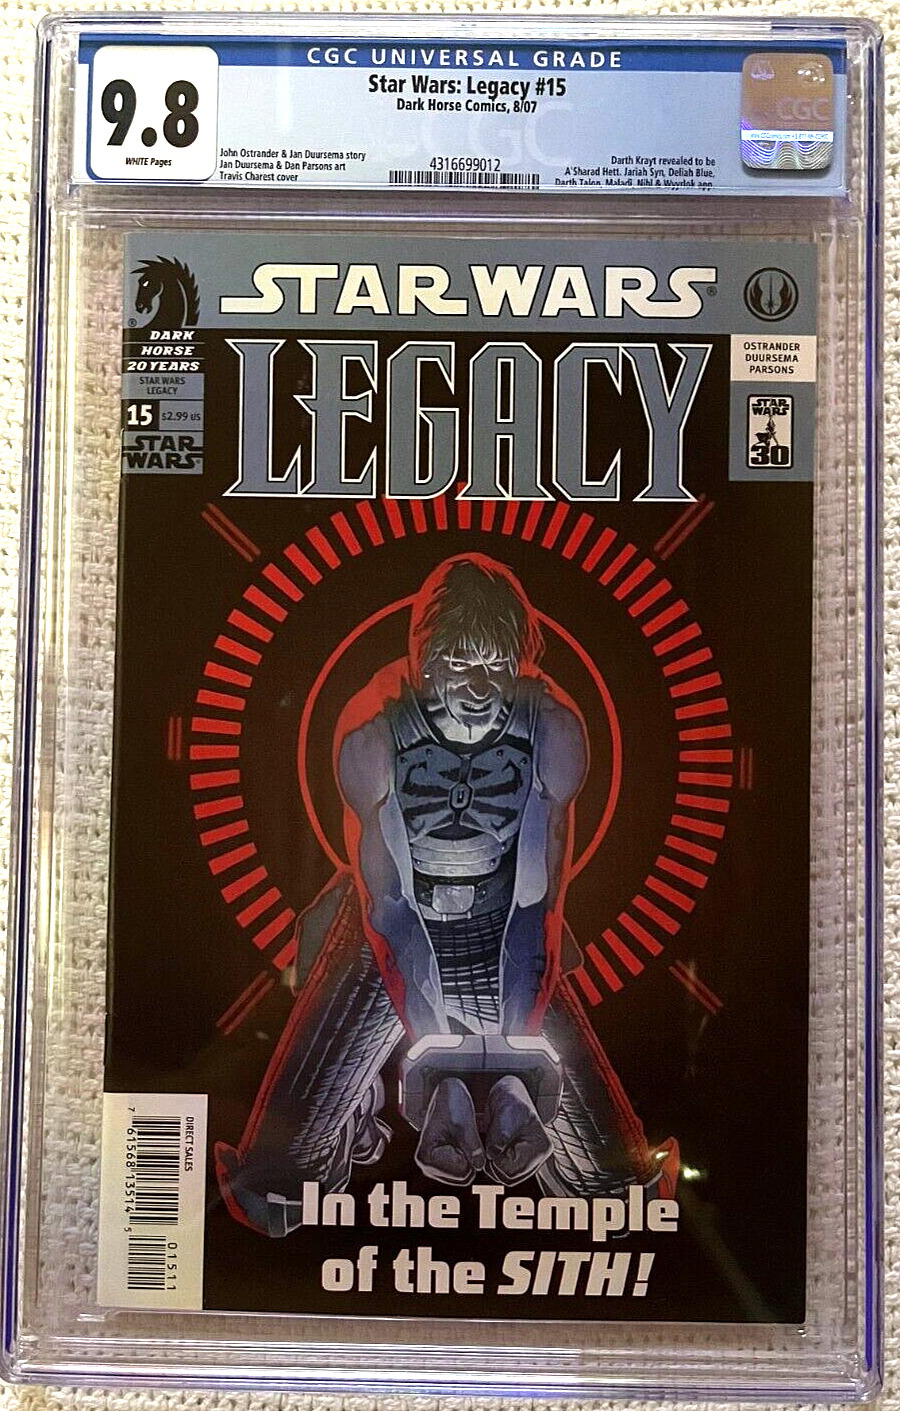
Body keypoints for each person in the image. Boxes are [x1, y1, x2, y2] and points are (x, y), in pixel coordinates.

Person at [216, 553, 677, 1237]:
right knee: (281, 1180)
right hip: (385, 926)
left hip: (503, 917)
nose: (479, 686)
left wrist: (513, 1048)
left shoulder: (552, 729)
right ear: (423, 655)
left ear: (518, 662)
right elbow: (389, 906)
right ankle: (356, 1112)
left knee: (613, 1188)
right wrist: (440, 1056)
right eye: (459, 663)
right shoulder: (372, 731)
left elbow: (537, 901)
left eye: (495, 664)